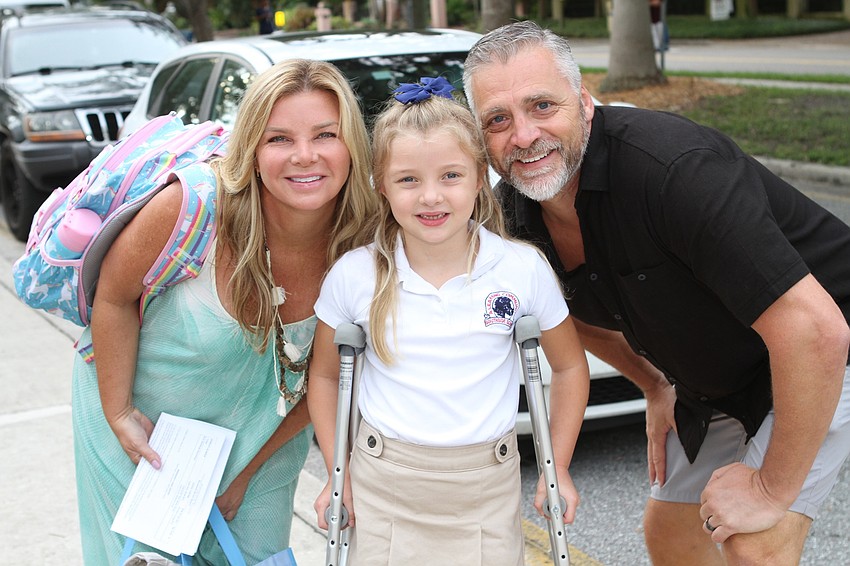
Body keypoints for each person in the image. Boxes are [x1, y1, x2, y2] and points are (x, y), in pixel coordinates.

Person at [463, 20, 850, 566]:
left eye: (542, 106)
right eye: (498, 120)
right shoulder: (512, 221)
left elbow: (815, 330)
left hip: (821, 348)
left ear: (584, 103)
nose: (523, 136)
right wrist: (653, 382)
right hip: (720, 378)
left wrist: (768, 491)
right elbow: (562, 318)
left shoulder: (672, 171)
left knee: (754, 542)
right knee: (672, 534)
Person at [71, 58, 377, 565]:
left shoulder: (366, 240)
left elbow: (333, 375)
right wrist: (119, 413)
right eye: (279, 139)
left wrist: (247, 472)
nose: (305, 156)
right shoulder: (192, 208)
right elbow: (113, 297)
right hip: (145, 439)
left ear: (352, 146)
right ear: (252, 151)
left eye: (326, 134)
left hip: (263, 442)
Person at [306, 78, 590, 564]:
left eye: (451, 176)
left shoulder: (520, 269)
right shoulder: (354, 277)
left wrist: (556, 467)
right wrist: (339, 474)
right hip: (383, 485)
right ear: (382, 185)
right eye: (409, 179)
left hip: (485, 490)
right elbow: (328, 376)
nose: (431, 197)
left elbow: (567, 367)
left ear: (481, 178)